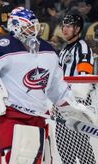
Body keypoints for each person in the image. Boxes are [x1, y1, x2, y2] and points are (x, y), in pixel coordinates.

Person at [0, 7, 96, 164]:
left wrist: (72, 108)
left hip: (39, 118)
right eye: (28, 27)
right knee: (15, 160)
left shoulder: (48, 51)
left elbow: (57, 89)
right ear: (15, 26)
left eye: (34, 26)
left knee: (41, 160)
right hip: (10, 117)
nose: (33, 30)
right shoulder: (3, 46)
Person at [54, 12, 96, 164]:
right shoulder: (65, 50)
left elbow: (84, 78)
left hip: (77, 103)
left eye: (69, 26)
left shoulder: (83, 48)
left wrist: (78, 105)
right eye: (64, 26)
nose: (65, 29)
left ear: (77, 29)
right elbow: (58, 78)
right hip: (63, 103)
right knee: (64, 146)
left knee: (81, 144)